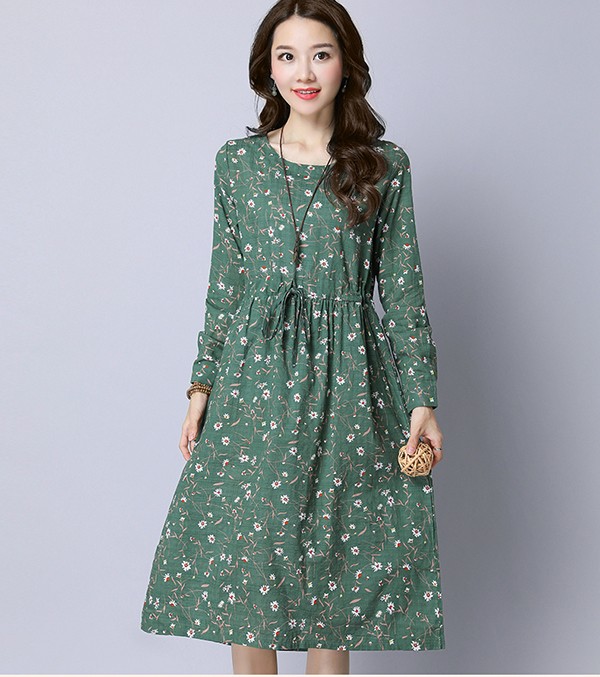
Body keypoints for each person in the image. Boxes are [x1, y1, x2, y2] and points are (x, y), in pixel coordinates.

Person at [140, 0, 446, 673]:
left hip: (350, 382)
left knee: (335, 560)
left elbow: (402, 292)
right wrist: (200, 386)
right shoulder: (238, 164)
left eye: (320, 54)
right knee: (251, 562)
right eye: (287, 56)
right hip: (253, 385)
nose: (304, 72)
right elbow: (227, 285)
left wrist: (422, 397)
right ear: (267, 69)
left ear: (346, 65)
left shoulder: (383, 166)